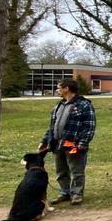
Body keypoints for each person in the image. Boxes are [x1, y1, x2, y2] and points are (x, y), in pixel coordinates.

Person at [38, 78, 95, 206]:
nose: (57, 90)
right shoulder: (59, 105)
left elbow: (89, 127)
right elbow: (52, 126)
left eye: (59, 88)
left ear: (67, 89)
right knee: (61, 171)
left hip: (74, 145)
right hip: (57, 144)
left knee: (76, 171)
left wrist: (81, 144)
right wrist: (45, 140)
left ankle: (77, 194)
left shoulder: (84, 105)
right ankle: (65, 192)